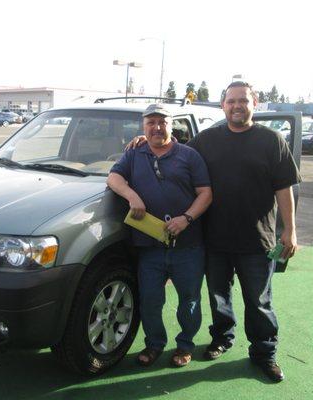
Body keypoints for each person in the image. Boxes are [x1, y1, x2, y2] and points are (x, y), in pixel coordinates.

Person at [187, 81, 301, 382]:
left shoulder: (272, 140)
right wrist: (142, 144)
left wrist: (290, 230)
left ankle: (264, 353)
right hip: (215, 238)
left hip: (257, 239)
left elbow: (284, 189)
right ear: (223, 105)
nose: (237, 106)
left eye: (243, 100)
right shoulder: (206, 140)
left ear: (255, 103)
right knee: (218, 294)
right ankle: (222, 337)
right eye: (231, 101)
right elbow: (176, 158)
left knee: (259, 301)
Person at [107, 103, 212, 368]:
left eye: (162, 122)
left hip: (187, 245)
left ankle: (185, 345)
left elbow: (205, 193)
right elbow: (113, 179)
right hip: (149, 246)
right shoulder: (134, 153)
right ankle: (154, 344)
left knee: (189, 300)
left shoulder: (189, 155)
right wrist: (132, 196)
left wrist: (186, 219)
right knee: (151, 300)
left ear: (171, 124)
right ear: (143, 126)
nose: (156, 127)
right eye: (151, 122)